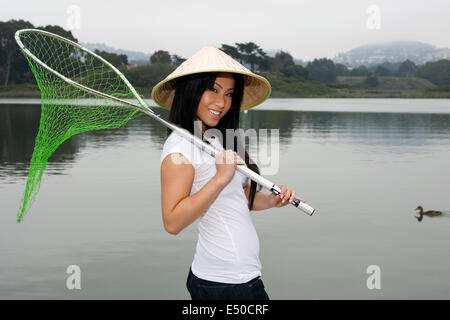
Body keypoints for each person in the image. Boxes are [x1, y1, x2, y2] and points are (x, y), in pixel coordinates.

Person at [152, 46, 306, 300]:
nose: (221, 103)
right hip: (224, 285)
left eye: (229, 94)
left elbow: (239, 198)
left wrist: (271, 200)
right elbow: (172, 222)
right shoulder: (179, 150)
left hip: (238, 281)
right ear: (191, 90)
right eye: (212, 90)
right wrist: (220, 178)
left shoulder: (213, 140)